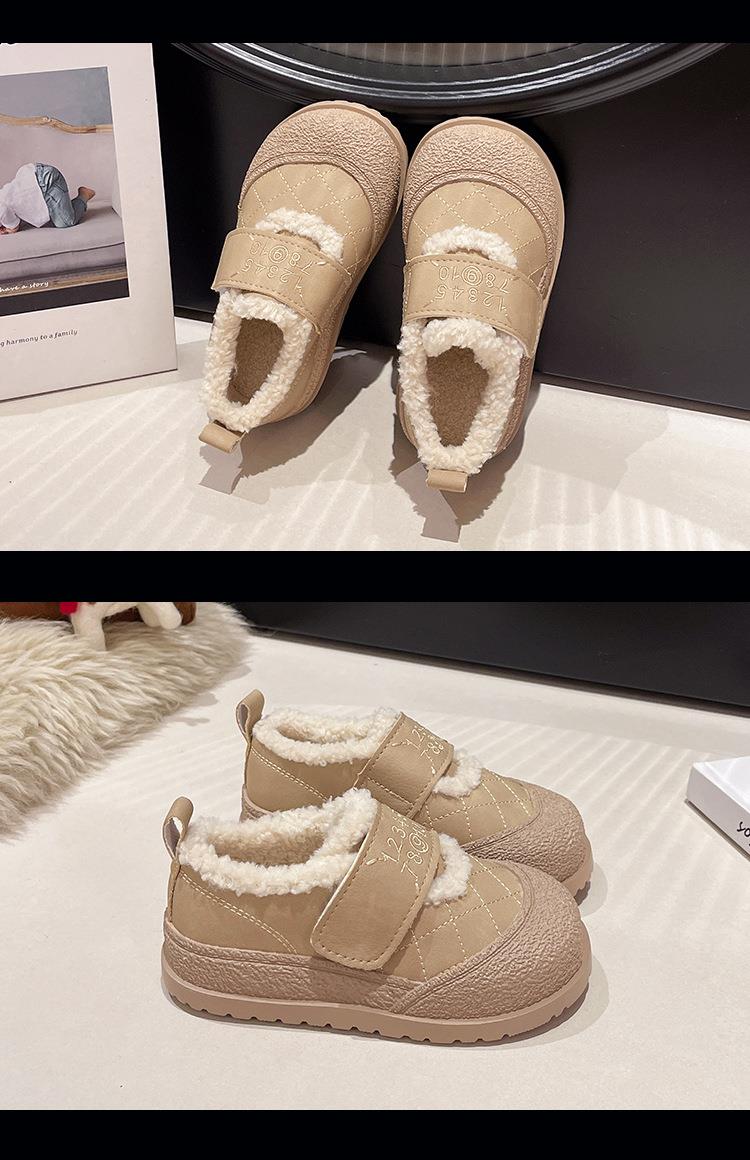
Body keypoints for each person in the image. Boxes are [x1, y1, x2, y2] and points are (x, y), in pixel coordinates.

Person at [0, 162, 95, 234]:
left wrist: (11, 227)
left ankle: (84, 194)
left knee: (66, 222)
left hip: (47, 182)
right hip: (35, 176)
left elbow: (4, 211)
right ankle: (62, 207)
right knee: (51, 218)